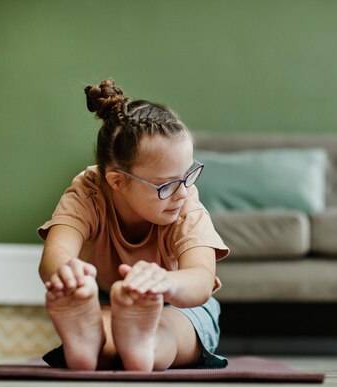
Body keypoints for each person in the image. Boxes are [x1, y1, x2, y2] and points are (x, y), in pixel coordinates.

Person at [38, 79, 229, 371]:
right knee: (104, 324)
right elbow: (55, 254)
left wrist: (165, 283)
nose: (181, 192)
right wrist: (69, 275)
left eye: (188, 174)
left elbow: (202, 279)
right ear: (116, 180)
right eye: (164, 184)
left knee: (168, 330)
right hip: (108, 301)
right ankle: (92, 342)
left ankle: (145, 345)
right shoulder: (88, 192)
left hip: (178, 303)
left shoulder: (185, 200)